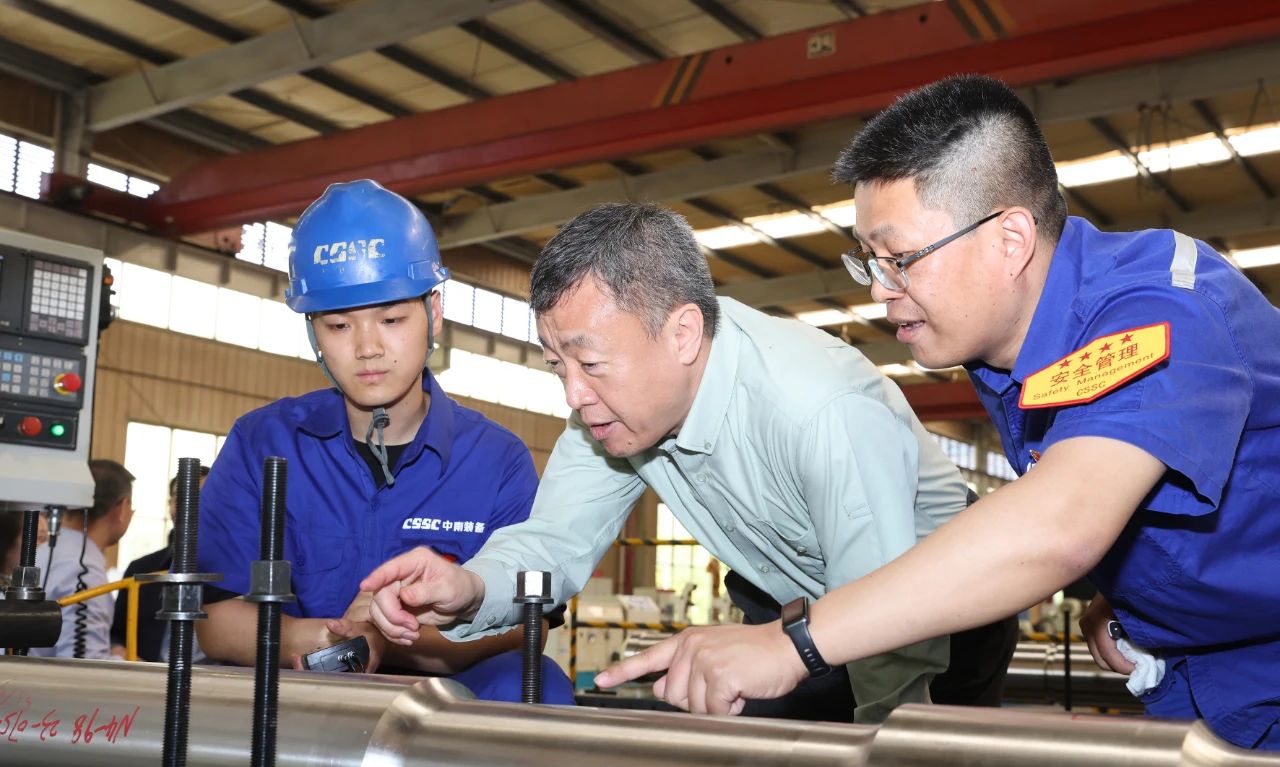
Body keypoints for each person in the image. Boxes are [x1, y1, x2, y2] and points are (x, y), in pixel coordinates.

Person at [596, 74, 1280, 750]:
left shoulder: (1159, 309)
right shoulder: (1011, 354)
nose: (880, 290)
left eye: (900, 259)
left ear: (1010, 240)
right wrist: (1140, 592)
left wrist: (795, 643)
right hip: (1218, 679)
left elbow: (1060, 523)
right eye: (869, 260)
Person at [360, 202, 1018, 724]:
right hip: (793, 605)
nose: (573, 394)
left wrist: (888, 736)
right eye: (559, 366)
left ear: (682, 334)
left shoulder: (817, 407)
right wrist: (472, 587)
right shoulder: (613, 413)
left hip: (935, 608)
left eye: (591, 363)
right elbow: (553, 540)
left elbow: (888, 621)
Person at [195, 179, 572, 703]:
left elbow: (526, 626)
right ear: (312, 331)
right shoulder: (262, 444)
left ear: (433, 313)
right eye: (338, 326)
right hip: (296, 691)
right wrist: (323, 640)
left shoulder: (496, 462)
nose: (368, 348)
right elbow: (213, 618)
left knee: (536, 684)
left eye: (391, 319)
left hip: (443, 700)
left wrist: (389, 638)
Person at [30, 459, 136, 659]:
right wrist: (128, 660)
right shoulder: (84, 572)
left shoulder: (43, 552)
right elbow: (84, 662)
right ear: (122, 508)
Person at [109, 466, 210, 662]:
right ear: (170, 506)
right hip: (146, 676)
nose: (189, 505)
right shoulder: (141, 570)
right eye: (180, 496)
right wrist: (119, 650)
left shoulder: (238, 575)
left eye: (201, 496)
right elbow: (115, 634)